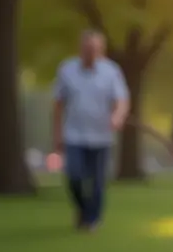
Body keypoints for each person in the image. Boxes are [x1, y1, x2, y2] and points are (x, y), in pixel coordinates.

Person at [52, 29, 129, 232]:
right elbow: (58, 104)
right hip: (74, 135)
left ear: (101, 50)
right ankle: (83, 209)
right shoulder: (67, 70)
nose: (91, 52)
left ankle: (92, 220)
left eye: (95, 49)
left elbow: (121, 100)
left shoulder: (111, 71)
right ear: (81, 49)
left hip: (101, 137)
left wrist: (117, 116)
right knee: (74, 177)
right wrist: (57, 134)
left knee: (97, 182)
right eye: (87, 48)